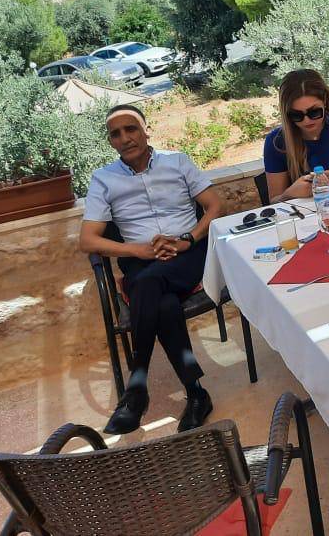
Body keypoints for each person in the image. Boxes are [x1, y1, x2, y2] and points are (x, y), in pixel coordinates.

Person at [79, 104, 222, 434]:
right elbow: (87, 240)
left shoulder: (177, 162)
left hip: (188, 254)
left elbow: (215, 205)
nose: (125, 138)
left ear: (146, 131)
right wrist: (137, 249)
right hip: (142, 261)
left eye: (131, 129)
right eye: (116, 134)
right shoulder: (103, 179)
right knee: (163, 303)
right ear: (111, 142)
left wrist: (187, 239)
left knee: (147, 285)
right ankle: (196, 393)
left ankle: (136, 388)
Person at [264, 69, 329, 202]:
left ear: (325, 101)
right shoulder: (276, 141)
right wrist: (290, 194)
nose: (306, 121)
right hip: (306, 211)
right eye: (296, 115)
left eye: (314, 112)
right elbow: (273, 201)